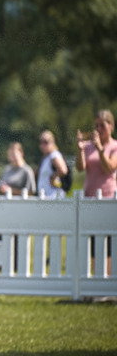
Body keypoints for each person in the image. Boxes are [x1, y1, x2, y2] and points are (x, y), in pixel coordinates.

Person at [76, 109, 117, 276]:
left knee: (107, 242)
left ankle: (107, 279)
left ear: (111, 126)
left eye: (102, 125)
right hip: (90, 197)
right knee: (91, 240)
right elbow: (80, 168)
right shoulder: (88, 147)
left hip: (108, 198)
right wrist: (80, 149)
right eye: (96, 126)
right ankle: (94, 279)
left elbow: (109, 168)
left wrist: (100, 149)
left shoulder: (114, 147)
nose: (99, 129)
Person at [36, 130, 69, 199]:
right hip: (46, 197)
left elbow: (63, 170)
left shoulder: (54, 155)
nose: (43, 145)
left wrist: (53, 177)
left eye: (46, 142)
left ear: (52, 142)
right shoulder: (46, 157)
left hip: (53, 196)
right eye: (41, 142)